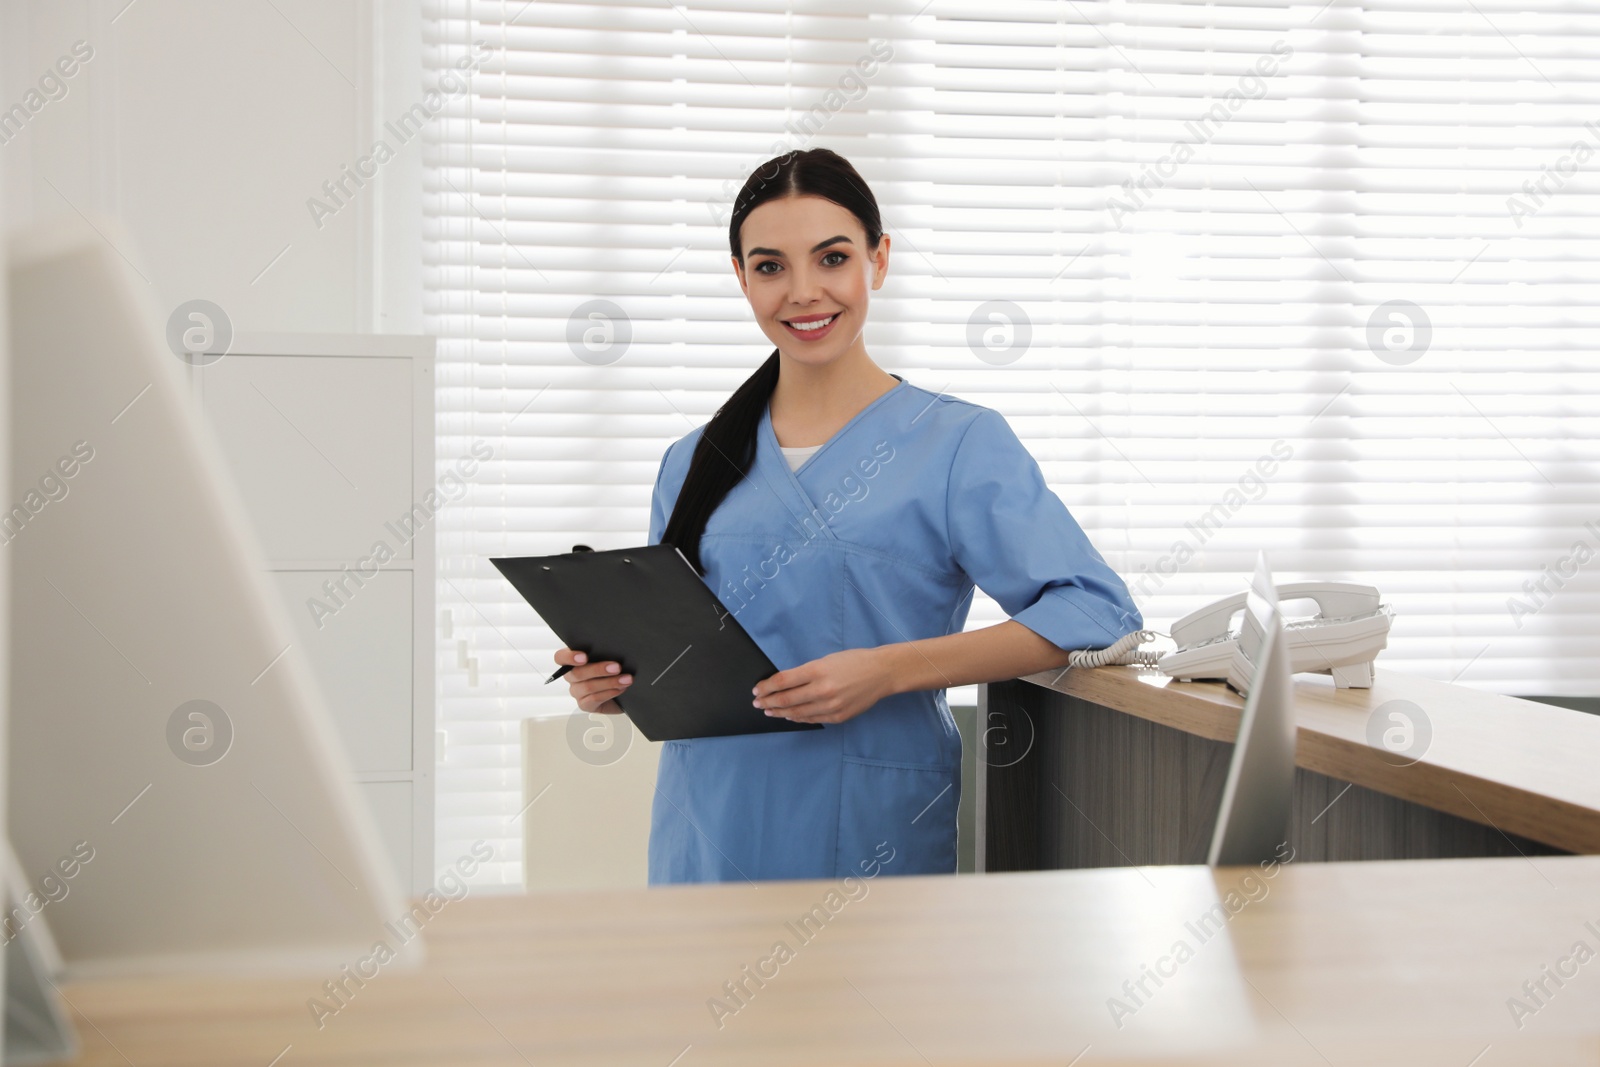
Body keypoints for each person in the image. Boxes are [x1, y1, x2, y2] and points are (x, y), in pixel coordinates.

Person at [553, 148, 1141, 885]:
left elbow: (1098, 611)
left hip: (870, 826)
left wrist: (888, 670)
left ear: (879, 259)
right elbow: (681, 660)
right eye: (770, 267)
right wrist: (610, 690)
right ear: (741, 278)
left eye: (831, 257)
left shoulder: (957, 443)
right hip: (704, 828)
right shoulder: (692, 460)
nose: (803, 292)